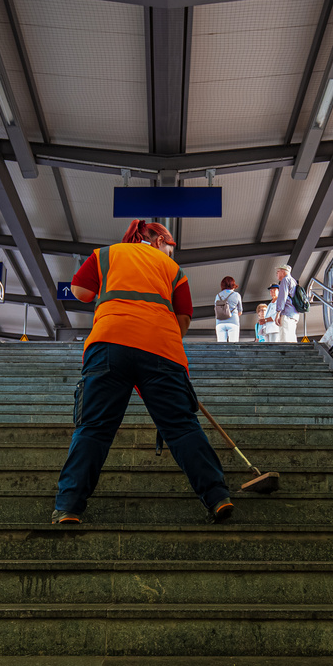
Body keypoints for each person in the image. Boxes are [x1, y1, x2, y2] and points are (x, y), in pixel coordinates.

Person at [53, 220, 233, 524]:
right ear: (158, 241)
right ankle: (217, 497)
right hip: (161, 348)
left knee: (94, 428)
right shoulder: (172, 269)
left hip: (109, 343)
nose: (170, 251)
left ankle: (69, 506)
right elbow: (184, 319)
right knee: (182, 427)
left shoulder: (106, 254)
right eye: (170, 246)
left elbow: (81, 292)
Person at [272, 264, 300, 343]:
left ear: (283, 272)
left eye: (278, 271)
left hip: (286, 313)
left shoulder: (285, 280)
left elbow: (282, 298)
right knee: (291, 338)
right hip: (294, 314)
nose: (276, 274)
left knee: (284, 339)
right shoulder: (293, 281)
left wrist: (278, 312)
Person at [213, 276, 242, 342]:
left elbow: (216, 309)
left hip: (220, 322)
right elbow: (240, 311)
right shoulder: (237, 295)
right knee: (233, 345)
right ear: (233, 284)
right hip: (233, 322)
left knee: (221, 346)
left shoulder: (218, 295)